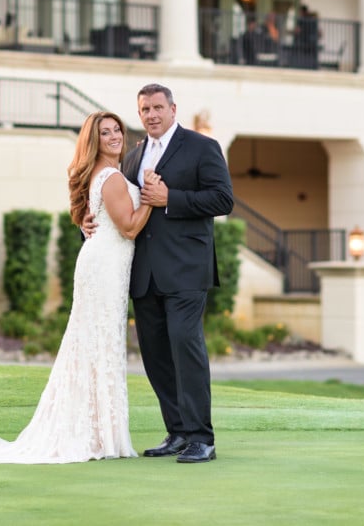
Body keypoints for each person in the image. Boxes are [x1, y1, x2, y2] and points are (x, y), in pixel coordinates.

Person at [0, 111, 155, 464]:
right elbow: (130, 228)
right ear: (94, 140)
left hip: (105, 265)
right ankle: (95, 435)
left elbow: (95, 217)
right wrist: (149, 197)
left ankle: (96, 433)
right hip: (103, 268)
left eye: (117, 129)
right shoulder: (113, 178)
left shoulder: (107, 174)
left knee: (95, 344)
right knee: (97, 343)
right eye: (106, 132)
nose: (115, 136)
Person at [122, 83, 234, 463]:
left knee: (186, 349)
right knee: (155, 357)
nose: (151, 115)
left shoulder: (202, 147)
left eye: (157, 107)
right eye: (144, 110)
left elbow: (223, 199)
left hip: (186, 270)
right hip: (144, 273)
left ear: (172, 109)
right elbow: (125, 205)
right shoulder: (134, 156)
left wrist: (172, 199)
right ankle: (178, 432)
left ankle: (202, 438)